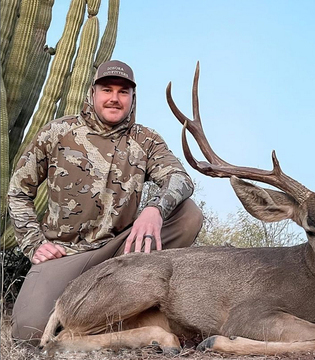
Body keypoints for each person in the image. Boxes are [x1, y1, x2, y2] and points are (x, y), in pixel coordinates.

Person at [7, 60, 203, 343]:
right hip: (65, 254)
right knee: (28, 334)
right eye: (107, 90)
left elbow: (180, 178)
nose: (114, 98)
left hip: (122, 251)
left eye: (123, 92)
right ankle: (95, 322)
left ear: (132, 98)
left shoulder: (145, 140)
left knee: (189, 214)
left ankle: (133, 303)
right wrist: (34, 243)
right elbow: (18, 189)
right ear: (93, 93)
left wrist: (155, 209)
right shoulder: (57, 132)